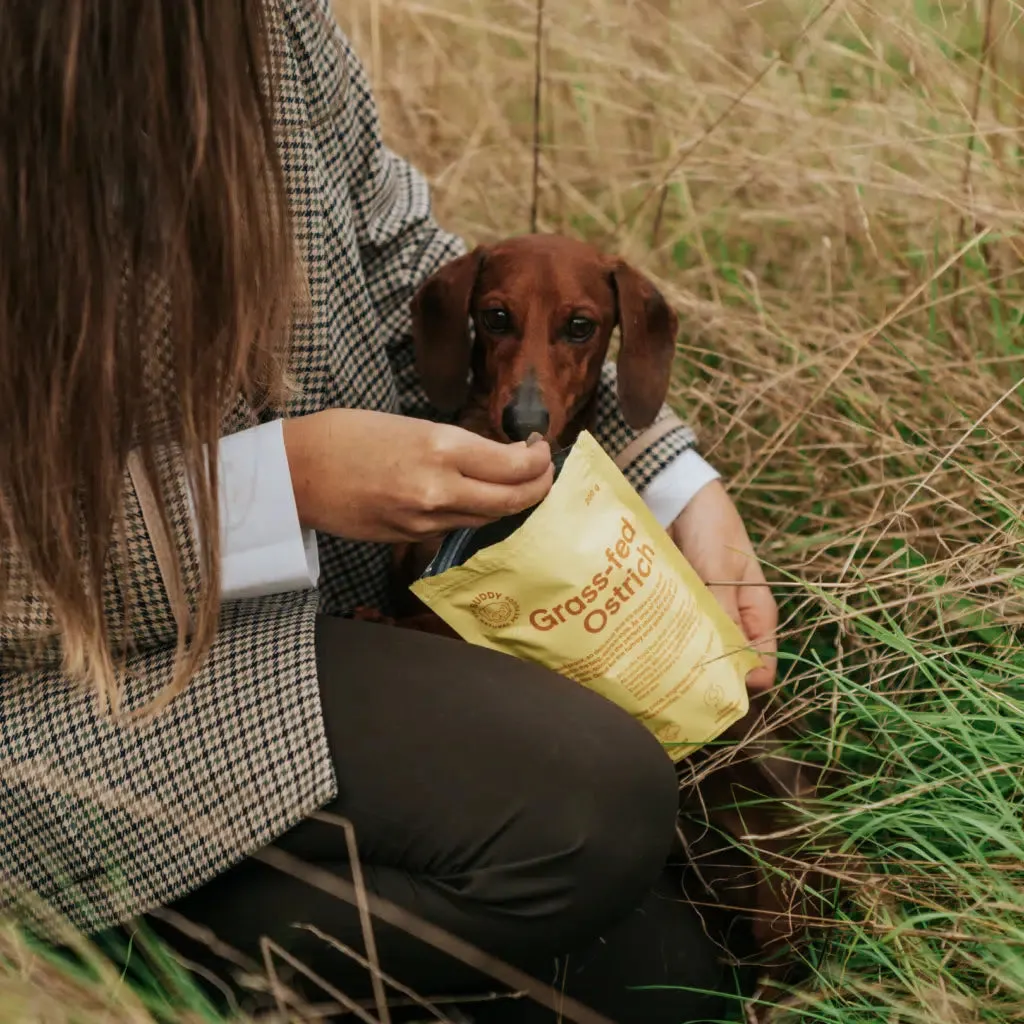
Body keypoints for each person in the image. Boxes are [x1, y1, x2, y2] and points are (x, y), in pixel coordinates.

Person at [0, 1, 778, 1021]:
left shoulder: (267, 22)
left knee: (670, 983)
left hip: (303, 642)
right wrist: (280, 482)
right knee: (592, 800)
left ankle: (201, 924)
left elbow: (406, 263)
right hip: (67, 692)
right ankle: (108, 973)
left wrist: (681, 484)